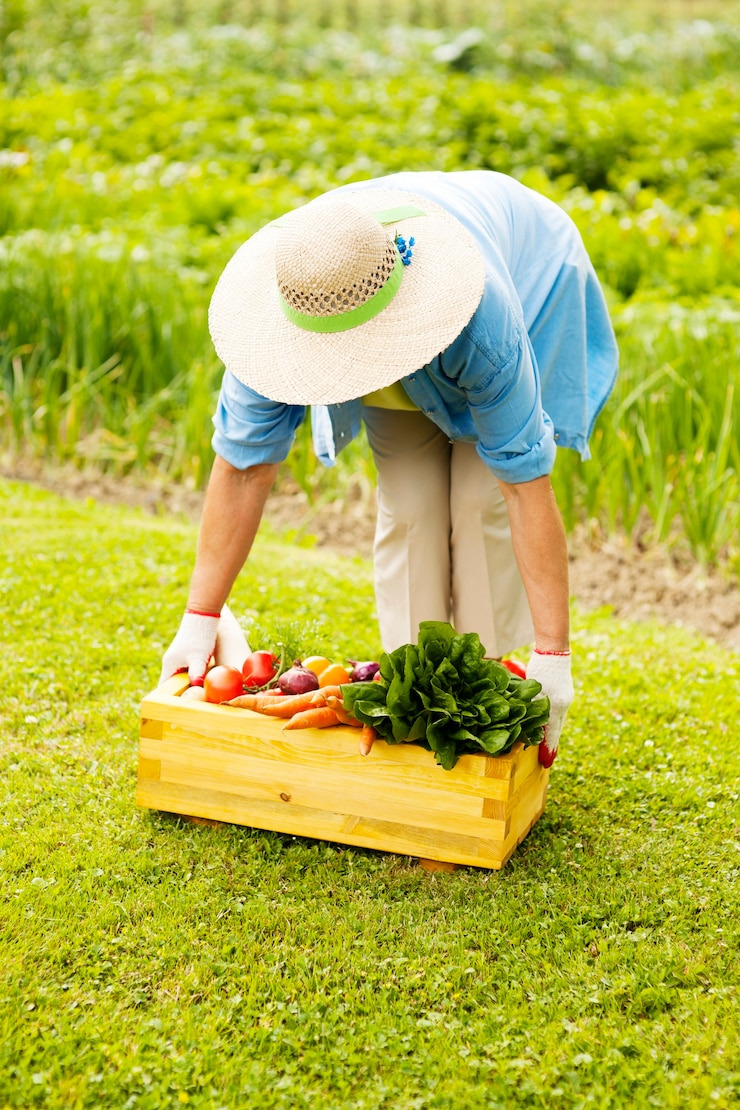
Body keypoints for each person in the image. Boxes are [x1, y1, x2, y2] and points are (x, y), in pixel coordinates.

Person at [160, 170, 619, 767]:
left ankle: (481, 682)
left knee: (481, 500)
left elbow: (524, 486)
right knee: (409, 503)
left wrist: (554, 657)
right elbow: (244, 469)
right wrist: (200, 619)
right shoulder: (291, 301)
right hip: (366, 291)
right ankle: (417, 692)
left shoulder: (484, 321)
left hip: (529, 279)